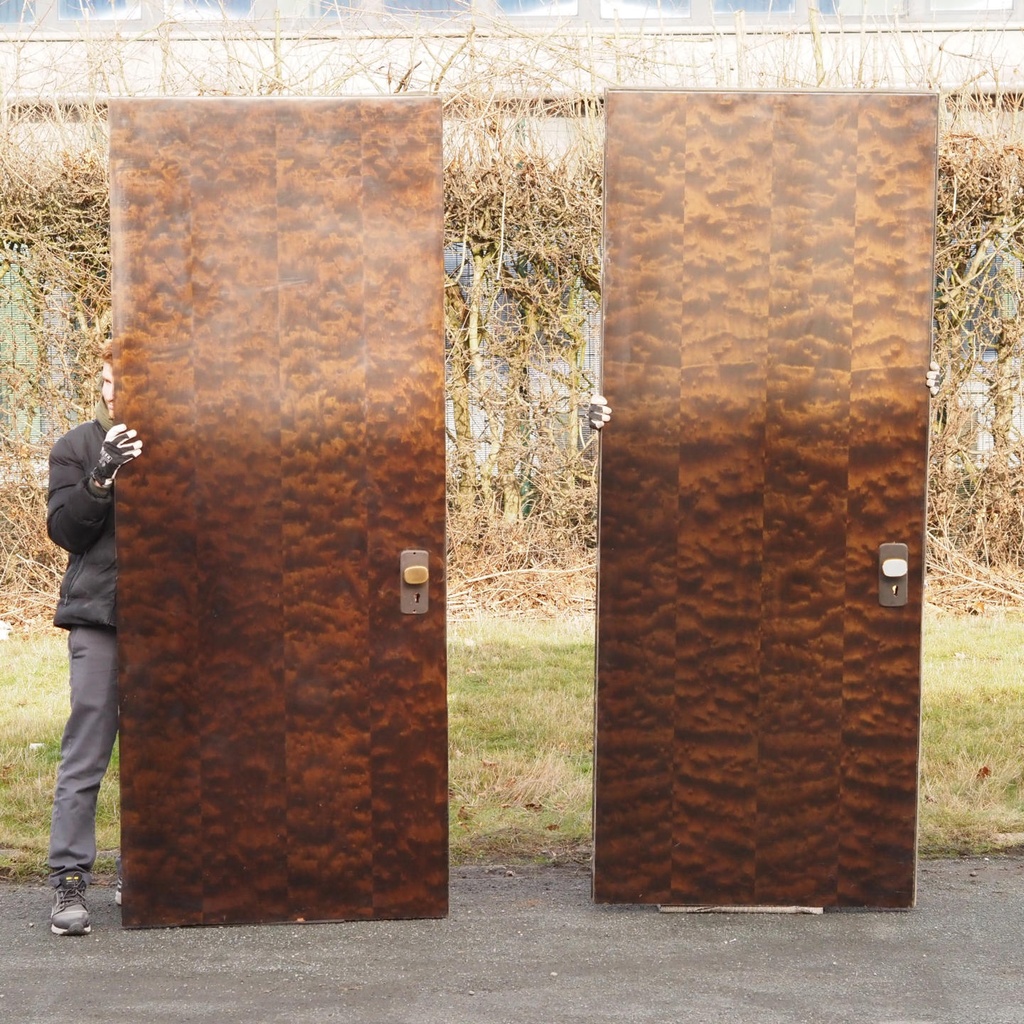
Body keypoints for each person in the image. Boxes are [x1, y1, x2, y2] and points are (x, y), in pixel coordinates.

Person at [46, 342, 143, 936]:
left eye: (121, 383)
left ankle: (151, 869)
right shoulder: (77, 446)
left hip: (171, 623)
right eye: (104, 381)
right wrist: (102, 474)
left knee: (168, 751)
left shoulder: (181, 442)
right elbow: (66, 531)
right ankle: (69, 879)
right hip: (99, 618)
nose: (110, 393)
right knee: (87, 750)